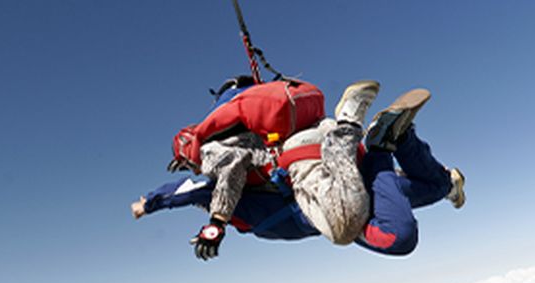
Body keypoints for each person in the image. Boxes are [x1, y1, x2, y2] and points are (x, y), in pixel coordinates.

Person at [133, 89, 465, 256]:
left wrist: (147, 204)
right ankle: (415, 152)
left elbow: (187, 188)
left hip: (322, 203)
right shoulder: (253, 150)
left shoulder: (216, 178)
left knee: (397, 237)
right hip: (341, 166)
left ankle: (382, 145)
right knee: (434, 185)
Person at [166, 77, 381, 259]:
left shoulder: (208, 148)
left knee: (343, 227)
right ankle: (387, 143)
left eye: (187, 166)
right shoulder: (242, 111)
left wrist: (217, 222)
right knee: (383, 191)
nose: (194, 171)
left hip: (298, 156)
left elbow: (231, 169)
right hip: (318, 130)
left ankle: (349, 122)